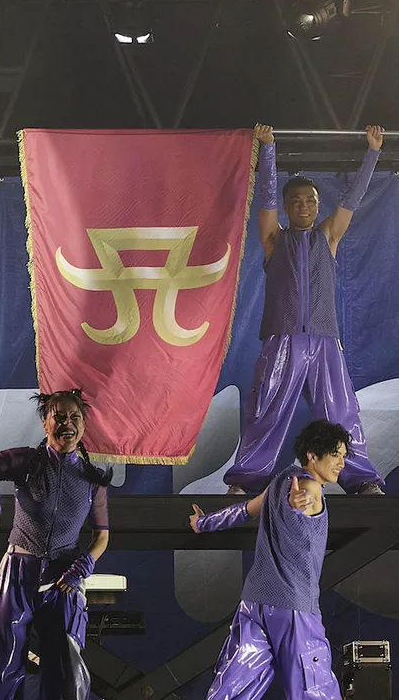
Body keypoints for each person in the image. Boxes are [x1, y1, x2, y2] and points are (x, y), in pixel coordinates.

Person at [224, 124, 385, 496]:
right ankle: (247, 481)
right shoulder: (274, 239)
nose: (303, 206)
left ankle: (361, 480)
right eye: (295, 200)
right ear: (286, 206)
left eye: (310, 200)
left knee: (340, 412)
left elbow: (351, 200)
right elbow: (264, 200)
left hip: (325, 340)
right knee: (267, 411)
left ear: (317, 205)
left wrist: (372, 153)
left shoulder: (327, 235)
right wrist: (268, 150)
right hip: (284, 341)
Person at [0, 389, 111, 700]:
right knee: (1, 662)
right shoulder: (26, 461)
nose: (68, 424)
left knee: (68, 668)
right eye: (60, 417)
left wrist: (86, 563)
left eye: (75, 417)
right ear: (45, 423)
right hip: (17, 571)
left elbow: (102, 535)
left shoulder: (92, 478)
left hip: (63, 576)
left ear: (83, 425)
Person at [190, 419, 350, 700]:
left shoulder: (280, 482)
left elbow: (243, 510)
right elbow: (299, 506)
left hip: (254, 605)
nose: (342, 464)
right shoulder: (309, 489)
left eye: (344, 457)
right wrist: (296, 508)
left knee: (233, 687)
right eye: (336, 455)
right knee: (313, 690)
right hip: (293, 610)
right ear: (312, 455)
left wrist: (203, 523)